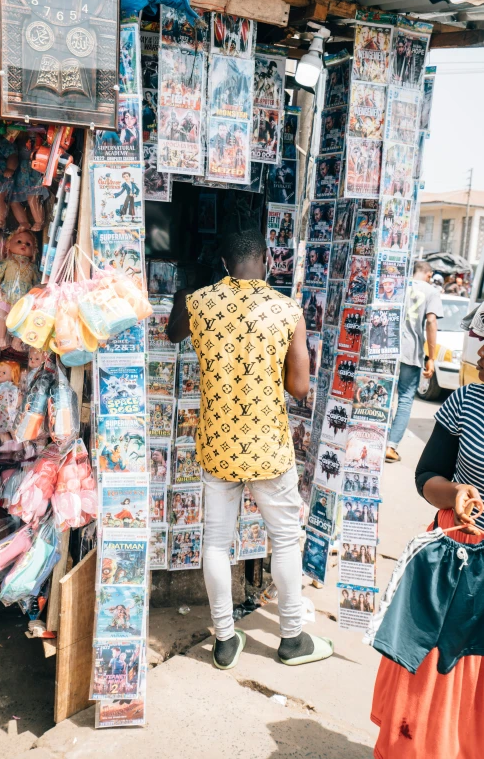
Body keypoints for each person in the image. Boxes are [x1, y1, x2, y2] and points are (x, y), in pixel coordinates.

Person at [167, 228, 333, 671]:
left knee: (216, 544)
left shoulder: (198, 302)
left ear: (224, 262)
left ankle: (224, 641)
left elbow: (171, 333)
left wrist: (190, 291)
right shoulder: (285, 310)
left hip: (217, 443)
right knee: (284, 540)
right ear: (266, 259)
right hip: (267, 445)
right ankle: (292, 640)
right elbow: (299, 387)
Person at [369, 348, 484, 759]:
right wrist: (455, 493)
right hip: (452, 563)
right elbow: (426, 477)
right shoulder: (467, 402)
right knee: (432, 681)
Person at [386, 261, 443, 463]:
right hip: (411, 351)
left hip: (387, 346)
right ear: (429, 275)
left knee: (382, 393)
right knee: (405, 398)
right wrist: (432, 357)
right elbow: (431, 321)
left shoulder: (397, 283)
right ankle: (391, 446)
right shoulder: (431, 291)